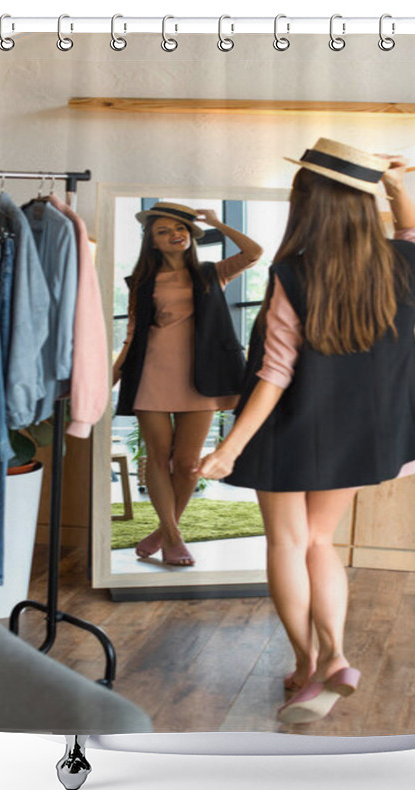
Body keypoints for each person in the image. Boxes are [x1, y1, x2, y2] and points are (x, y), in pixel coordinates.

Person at [196, 139, 415, 723]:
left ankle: (309, 665)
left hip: (290, 430)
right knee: (320, 542)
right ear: (363, 204)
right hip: (363, 434)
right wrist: (398, 187)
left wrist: (229, 449)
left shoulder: (294, 275)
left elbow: (275, 373)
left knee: (286, 543)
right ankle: (336, 653)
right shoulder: (407, 265)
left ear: (307, 203)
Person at [113, 202, 263, 567]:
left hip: (202, 379)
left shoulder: (212, 273)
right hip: (152, 375)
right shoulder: (143, 284)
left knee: (187, 463)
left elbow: (254, 253)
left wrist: (215, 222)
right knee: (158, 456)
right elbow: (132, 335)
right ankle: (175, 537)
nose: (173, 235)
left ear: (190, 235)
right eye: (162, 232)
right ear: (152, 243)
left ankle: (164, 531)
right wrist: (111, 377)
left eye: (178, 228)